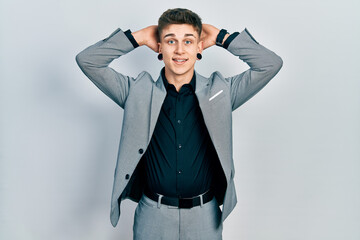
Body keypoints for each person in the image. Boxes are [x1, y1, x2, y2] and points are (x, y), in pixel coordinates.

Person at [76, 8, 282, 240]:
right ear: (160, 47)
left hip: (204, 218)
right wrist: (140, 37)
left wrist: (222, 36)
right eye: (171, 40)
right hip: (152, 217)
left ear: (199, 47)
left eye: (188, 41)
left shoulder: (221, 91)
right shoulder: (136, 92)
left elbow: (270, 64)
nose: (180, 49)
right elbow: (88, 61)